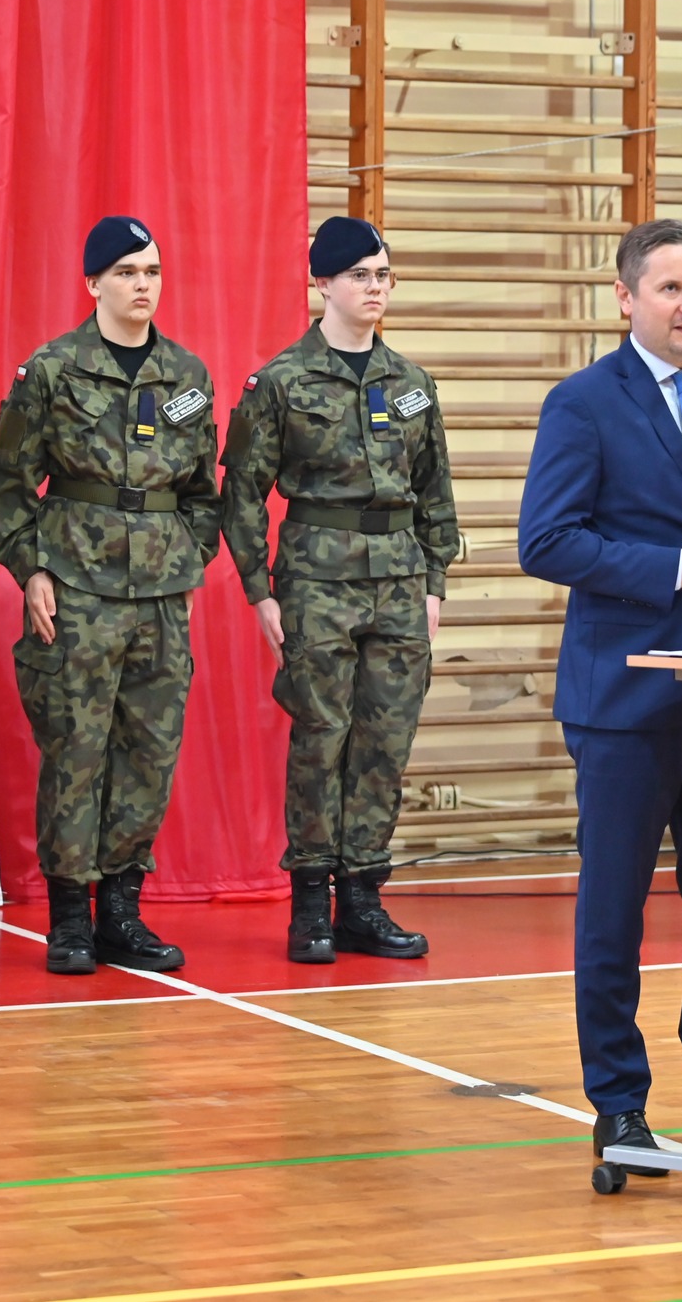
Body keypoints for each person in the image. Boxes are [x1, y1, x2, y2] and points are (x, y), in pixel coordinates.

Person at [518, 218, 682, 1168]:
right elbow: (546, 540)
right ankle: (620, 1104)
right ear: (626, 298)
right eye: (671, 288)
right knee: (615, 908)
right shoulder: (584, 402)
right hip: (625, 704)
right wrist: (673, 569)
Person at [0, 216, 219, 975]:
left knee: (150, 753)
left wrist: (188, 559)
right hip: (77, 590)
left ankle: (121, 910)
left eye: (151, 271)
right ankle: (69, 918)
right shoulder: (52, 372)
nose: (142, 284)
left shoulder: (187, 376)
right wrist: (33, 569)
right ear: (92, 283)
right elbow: (2, 495)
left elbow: (205, 493)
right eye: (125, 272)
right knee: (75, 753)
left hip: (161, 598)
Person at [221, 217, 457, 964]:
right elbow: (241, 492)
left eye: (383, 275)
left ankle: (362, 900)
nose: (374, 288)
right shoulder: (280, 382)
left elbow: (436, 491)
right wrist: (260, 590)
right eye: (359, 275)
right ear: (322, 283)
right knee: (321, 740)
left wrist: (435, 581)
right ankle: (309, 905)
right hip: (316, 580)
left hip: (400, 581)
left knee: (385, 743)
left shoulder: (412, 384)